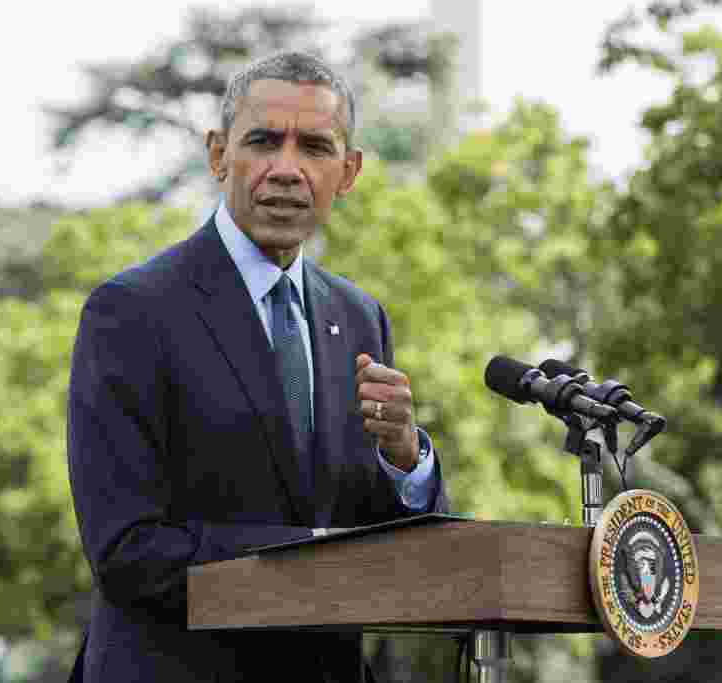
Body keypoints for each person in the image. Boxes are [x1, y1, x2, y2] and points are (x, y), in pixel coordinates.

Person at [66, 50, 450, 682]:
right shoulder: (131, 311)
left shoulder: (359, 317)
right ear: (219, 155)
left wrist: (405, 459)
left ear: (347, 171)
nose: (288, 170)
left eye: (316, 148)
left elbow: (383, 536)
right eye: (264, 142)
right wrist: (314, 561)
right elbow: (126, 550)